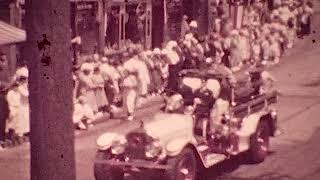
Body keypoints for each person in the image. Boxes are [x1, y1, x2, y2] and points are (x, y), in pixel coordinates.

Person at [6, 67, 29, 141]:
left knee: (25, 119)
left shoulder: (25, 86)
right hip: (19, 106)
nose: (24, 80)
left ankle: (23, 134)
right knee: (17, 120)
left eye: (25, 79)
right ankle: (16, 135)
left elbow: (26, 94)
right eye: (22, 79)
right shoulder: (17, 89)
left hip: (25, 105)